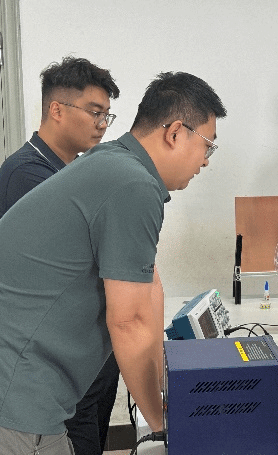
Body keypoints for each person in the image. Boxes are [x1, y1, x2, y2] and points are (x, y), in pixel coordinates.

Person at [0, 71, 226, 454]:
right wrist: (164, 425)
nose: (205, 161)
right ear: (175, 133)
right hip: (20, 396)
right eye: (207, 146)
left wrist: (163, 388)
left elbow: (150, 287)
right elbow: (128, 321)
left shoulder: (114, 163)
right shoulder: (132, 184)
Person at [0, 56, 121, 455]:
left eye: (107, 115)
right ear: (56, 109)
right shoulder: (26, 174)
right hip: (54, 365)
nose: (102, 124)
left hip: (88, 358)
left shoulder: (75, 172)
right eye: (94, 112)